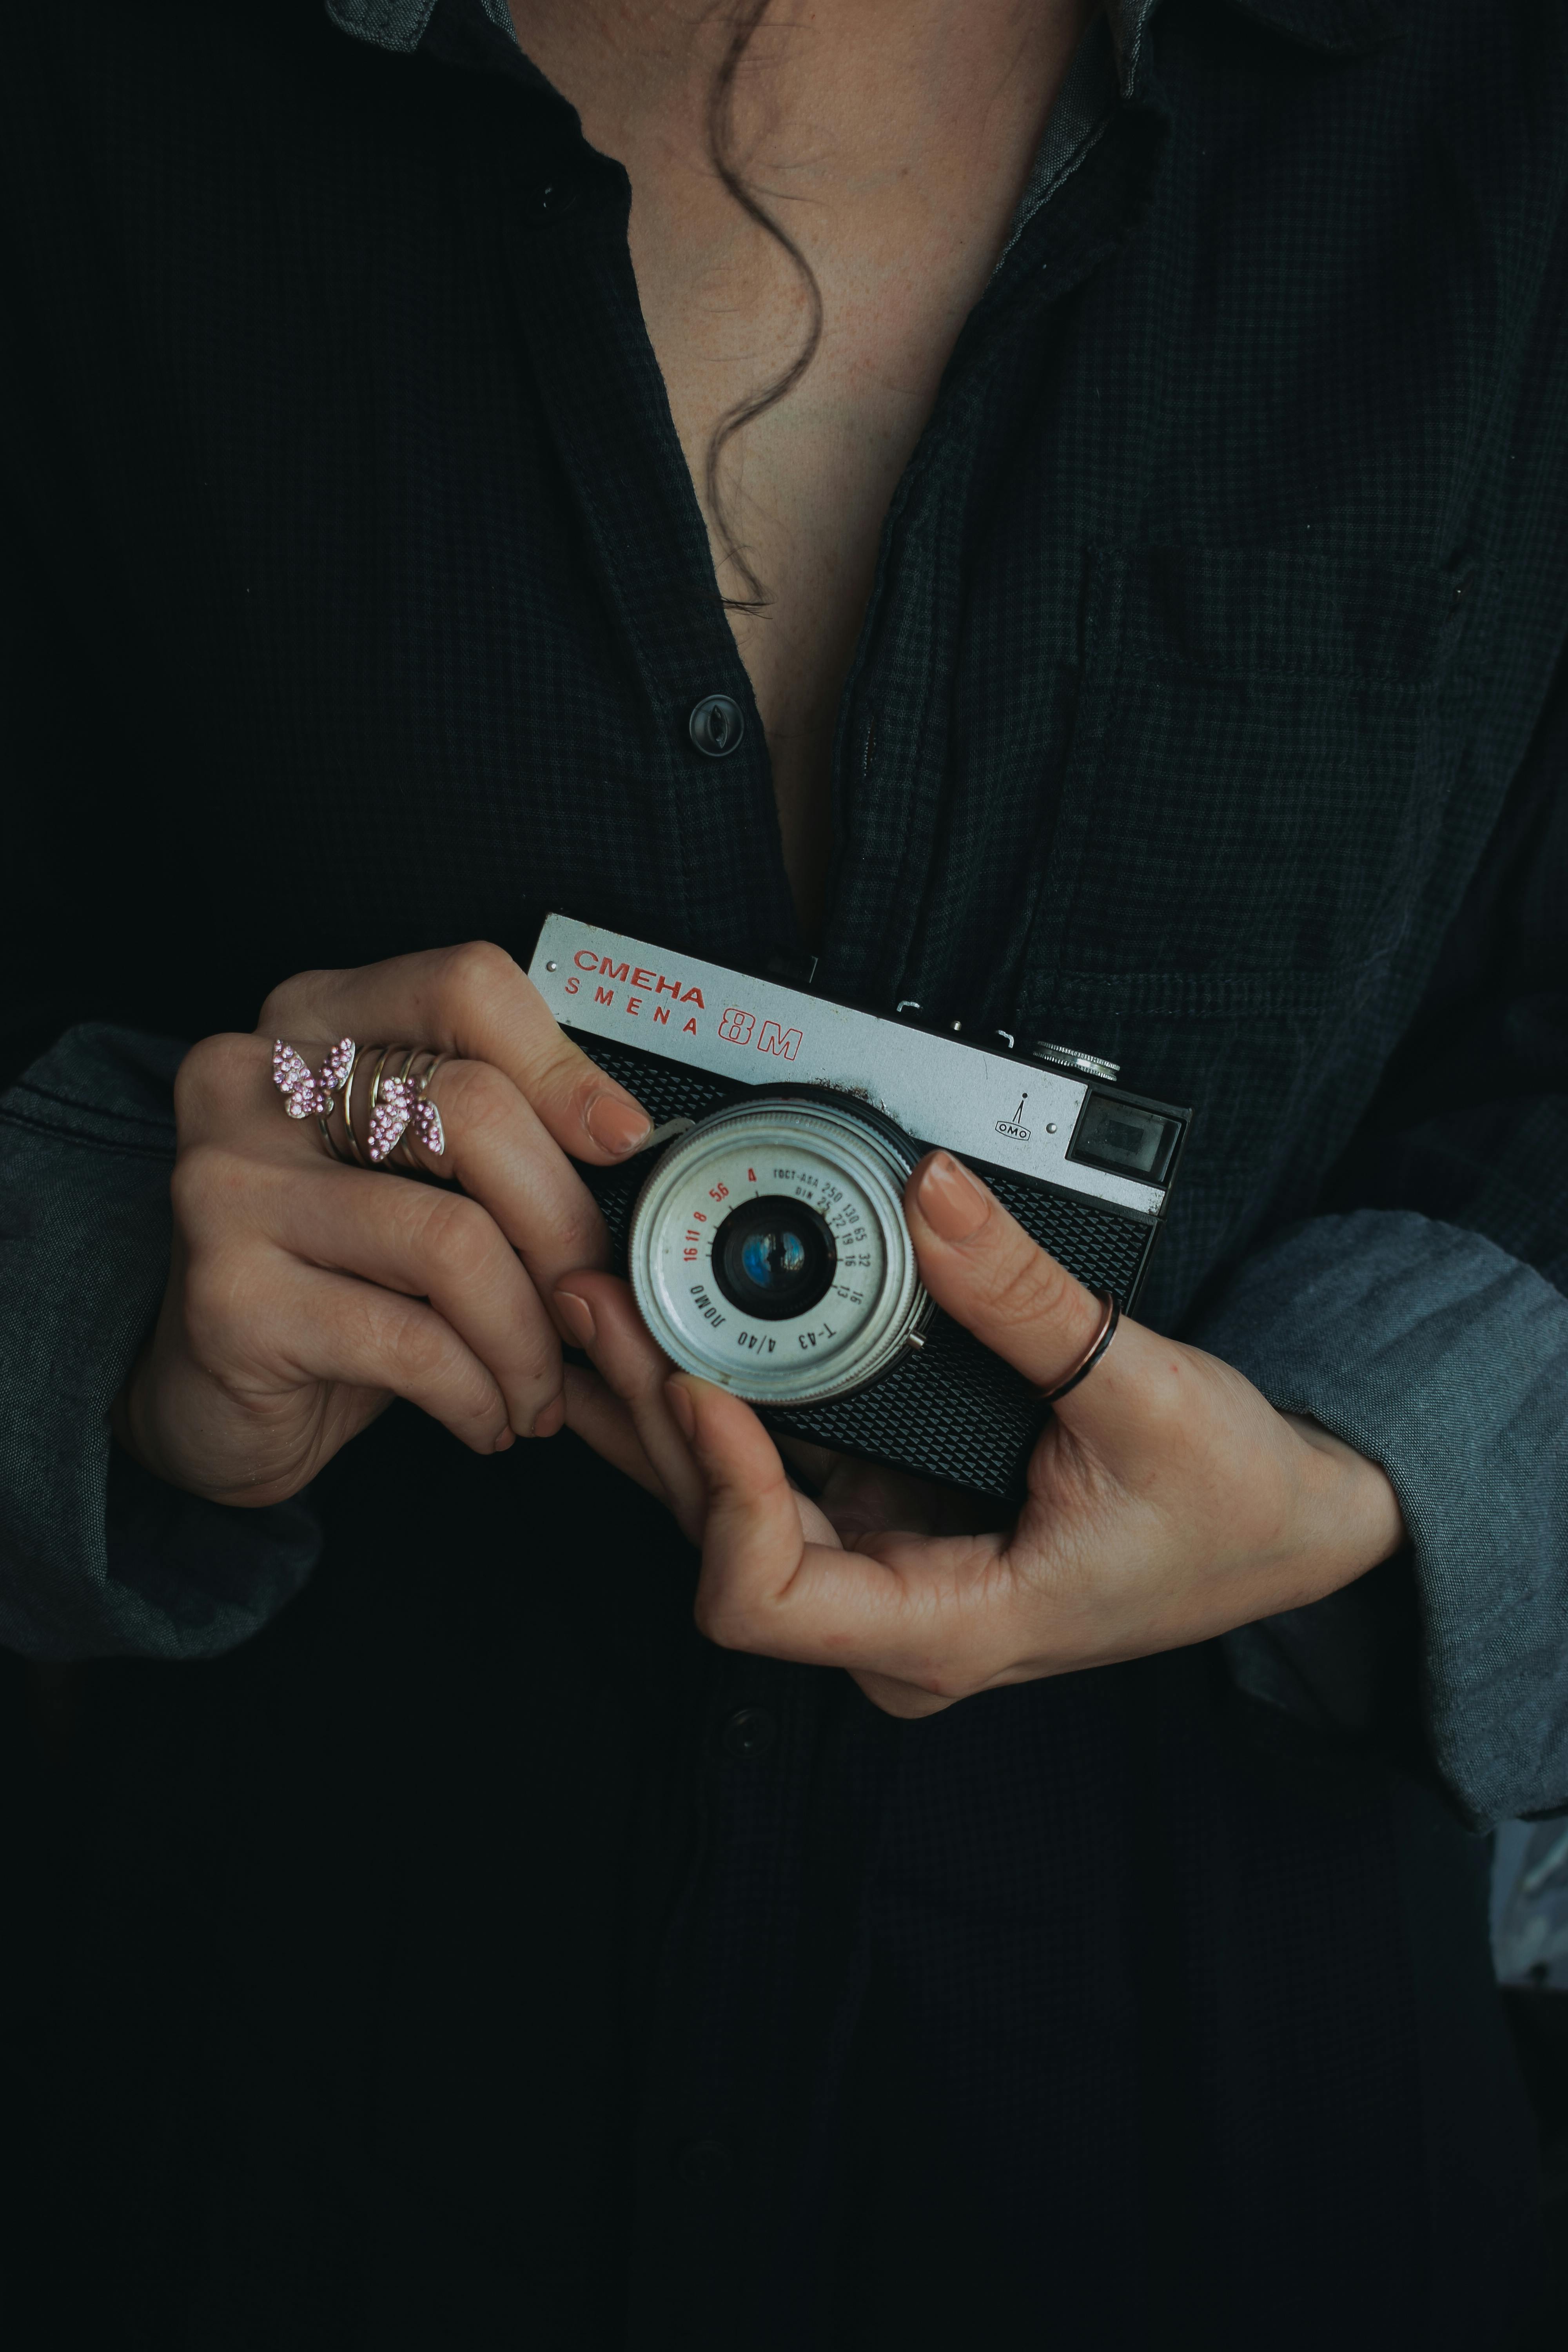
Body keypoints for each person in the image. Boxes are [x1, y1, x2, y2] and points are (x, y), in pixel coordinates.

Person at [2, 0, 1566, 2342]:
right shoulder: (100, 103)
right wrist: (124, 1276)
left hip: (1233, 2145)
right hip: (271, 2126)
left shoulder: (1497, 111)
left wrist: (1361, 1484)